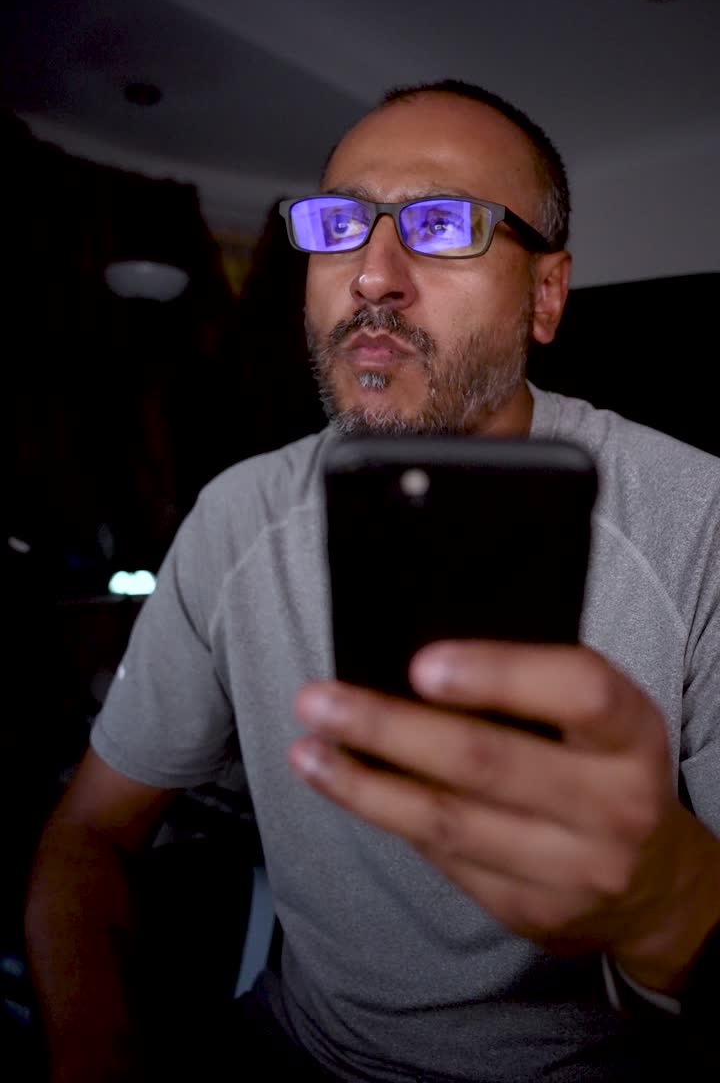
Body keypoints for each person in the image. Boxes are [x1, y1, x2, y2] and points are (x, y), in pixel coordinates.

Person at [24, 81, 720, 1082]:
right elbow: (91, 831)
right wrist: (94, 1055)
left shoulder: (697, 521)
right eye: (340, 225)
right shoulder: (236, 516)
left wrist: (670, 906)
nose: (372, 275)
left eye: (441, 225)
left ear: (546, 294)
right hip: (299, 1052)